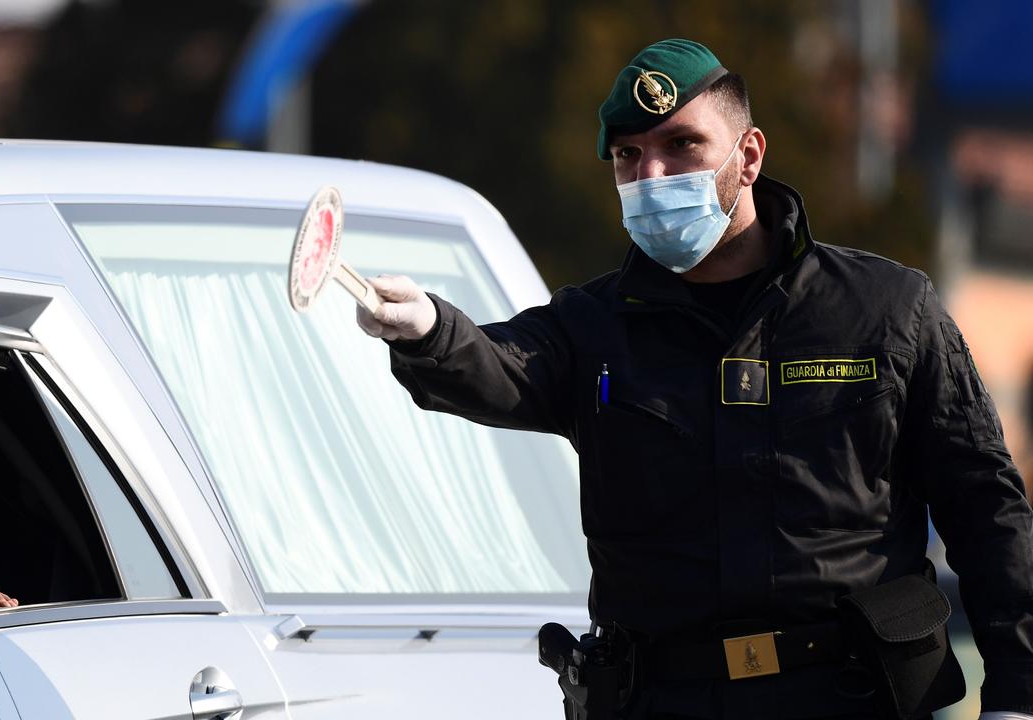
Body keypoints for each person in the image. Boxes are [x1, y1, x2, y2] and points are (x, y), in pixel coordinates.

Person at [356, 38, 1033, 720]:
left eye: (681, 146)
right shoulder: (592, 327)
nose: (651, 175)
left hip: (847, 695)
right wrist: (428, 330)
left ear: (749, 156)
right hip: (664, 699)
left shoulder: (886, 310)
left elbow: (988, 510)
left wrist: (1017, 696)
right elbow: (497, 367)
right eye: (628, 155)